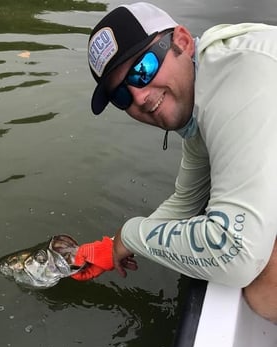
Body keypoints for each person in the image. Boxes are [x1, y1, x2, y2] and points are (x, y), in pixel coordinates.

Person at [74, 1, 277, 323]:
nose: (138, 96)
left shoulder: (242, 74)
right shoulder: (201, 100)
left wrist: (132, 235)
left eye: (143, 69)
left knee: (267, 288)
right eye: (121, 96)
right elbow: (187, 200)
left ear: (182, 41)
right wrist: (114, 248)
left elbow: (235, 255)